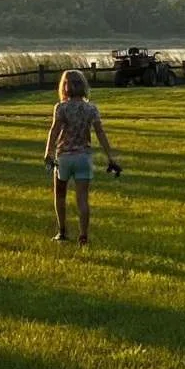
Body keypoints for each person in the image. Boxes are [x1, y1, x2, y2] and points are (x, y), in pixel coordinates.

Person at [43, 68, 117, 245]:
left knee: (60, 195)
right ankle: (83, 235)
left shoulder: (61, 107)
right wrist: (110, 157)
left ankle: (62, 232)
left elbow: (54, 131)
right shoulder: (91, 109)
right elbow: (100, 133)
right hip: (84, 156)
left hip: (64, 157)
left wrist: (48, 152)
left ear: (65, 87)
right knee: (82, 198)